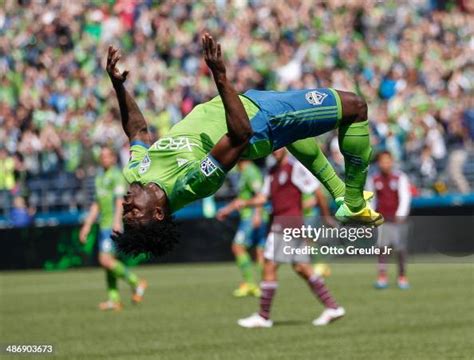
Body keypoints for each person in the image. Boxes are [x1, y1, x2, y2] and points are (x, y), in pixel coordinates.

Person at [109, 33, 382, 257]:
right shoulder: (191, 184)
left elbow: (138, 130)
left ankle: (339, 194)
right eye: (133, 210)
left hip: (251, 104)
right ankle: (354, 203)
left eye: (125, 209)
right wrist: (220, 77)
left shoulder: (136, 173)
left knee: (297, 131)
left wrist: (119, 87)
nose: (126, 203)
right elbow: (239, 134)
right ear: (157, 213)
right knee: (355, 107)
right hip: (261, 120)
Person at [218, 149, 344, 328]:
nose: (275, 151)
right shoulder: (272, 171)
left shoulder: (296, 168)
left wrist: (326, 217)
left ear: (285, 148)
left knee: (269, 265)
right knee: (302, 268)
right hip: (285, 225)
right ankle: (332, 307)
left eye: (278, 147)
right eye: (273, 149)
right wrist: (244, 203)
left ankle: (263, 316)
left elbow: (317, 193)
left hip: (287, 225)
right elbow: (263, 197)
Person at [79, 146, 147, 310]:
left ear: (113, 158)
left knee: (105, 260)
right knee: (108, 262)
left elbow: (119, 201)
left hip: (112, 224)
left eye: (107, 156)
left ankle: (136, 282)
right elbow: (96, 204)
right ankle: (114, 298)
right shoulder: (99, 178)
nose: (104, 158)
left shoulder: (116, 176)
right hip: (103, 225)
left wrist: (117, 222)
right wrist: (87, 226)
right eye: (101, 156)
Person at [217, 160, 268, 298]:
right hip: (252, 216)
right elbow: (241, 199)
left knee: (238, 247)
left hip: (252, 216)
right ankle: (265, 285)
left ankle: (251, 283)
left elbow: (260, 195)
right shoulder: (243, 171)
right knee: (259, 251)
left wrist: (257, 215)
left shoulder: (251, 171)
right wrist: (227, 210)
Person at [367, 151, 411, 289]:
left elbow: (405, 197)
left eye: (387, 160)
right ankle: (382, 276)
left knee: (400, 249)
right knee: (382, 249)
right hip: (382, 219)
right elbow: (371, 200)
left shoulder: (400, 177)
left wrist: (401, 214)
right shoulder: (373, 179)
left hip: (397, 220)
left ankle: (402, 276)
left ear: (392, 161)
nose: (385, 164)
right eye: (382, 161)